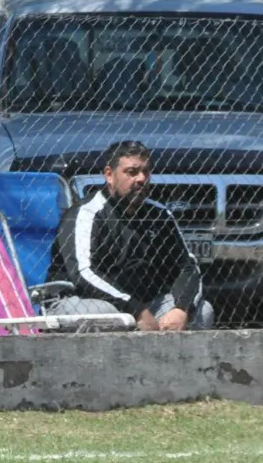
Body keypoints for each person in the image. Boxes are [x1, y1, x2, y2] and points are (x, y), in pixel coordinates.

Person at [49, 139, 214, 331]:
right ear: (109, 175)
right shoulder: (86, 213)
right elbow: (84, 274)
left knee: (202, 311)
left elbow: (187, 268)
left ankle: (161, 360)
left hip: (144, 304)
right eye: (132, 172)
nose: (141, 179)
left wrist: (181, 309)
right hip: (82, 301)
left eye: (146, 171)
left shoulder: (159, 215)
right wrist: (136, 310)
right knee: (105, 315)